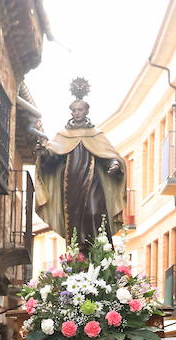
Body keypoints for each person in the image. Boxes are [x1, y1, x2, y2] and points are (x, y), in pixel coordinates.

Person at [35, 79, 126, 251]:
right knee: (74, 219)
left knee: (95, 213)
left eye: (80, 109)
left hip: (93, 182)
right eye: (74, 110)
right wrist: (44, 153)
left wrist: (115, 165)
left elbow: (109, 154)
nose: (77, 113)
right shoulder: (62, 136)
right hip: (71, 185)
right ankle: (77, 254)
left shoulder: (95, 134)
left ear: (86, 111)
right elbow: (52, 160)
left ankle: (99, 252)